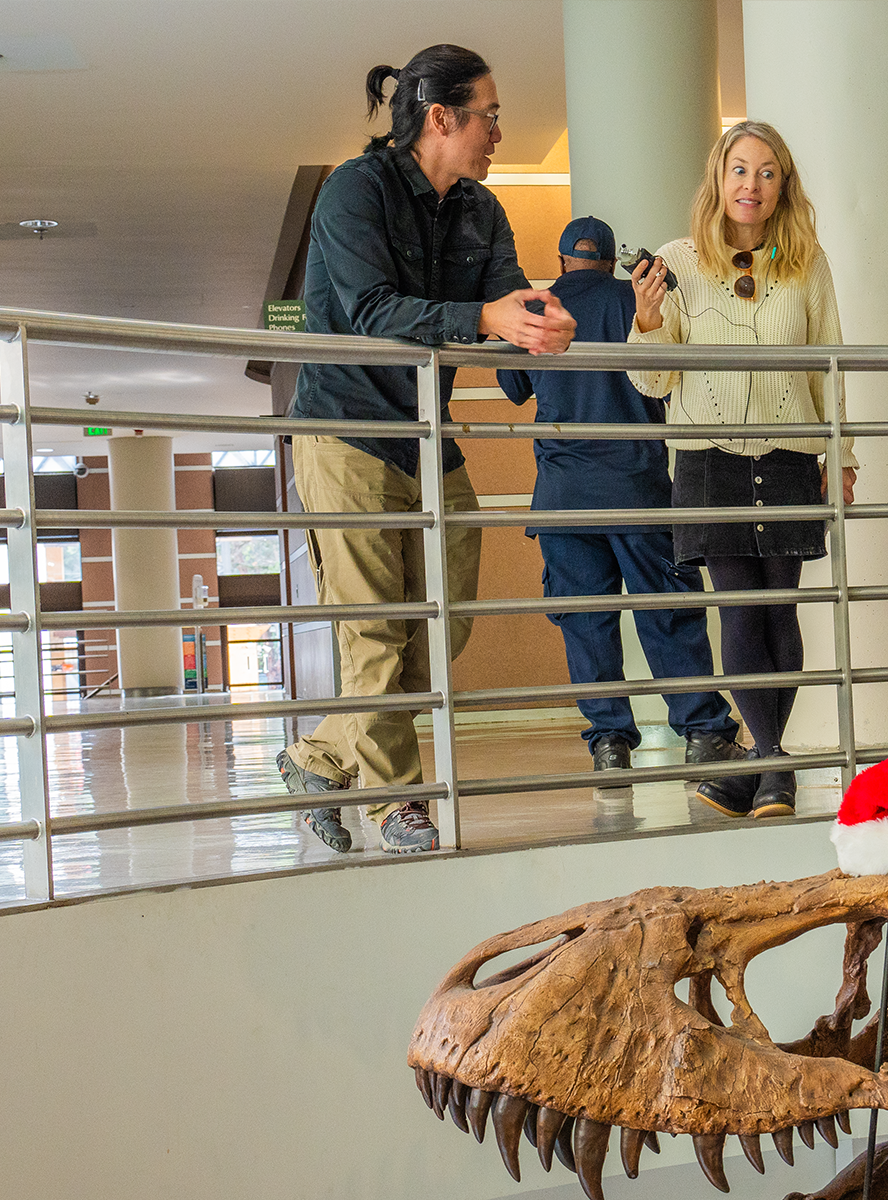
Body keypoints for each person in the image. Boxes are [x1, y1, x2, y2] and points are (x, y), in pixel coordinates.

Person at [277, 44, 576, 854]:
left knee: (441, 626)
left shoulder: (482, 211)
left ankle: (319, 757)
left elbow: (507, 302)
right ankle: (397, 806)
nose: (499, 134)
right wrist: (483, 319)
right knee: (375, 628)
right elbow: (371, 312)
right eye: (491, 116)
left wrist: (541, 324)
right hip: (346, 431)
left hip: (427, 438)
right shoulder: (353, 191)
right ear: (441, 117)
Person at [626, 120, 857, 821]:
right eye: (739, 170)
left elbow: (830, 363)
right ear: (717, 179)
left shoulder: (806, 262)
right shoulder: (679, 261)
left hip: (788, 455)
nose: (750, 185)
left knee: (778, 605)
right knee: (739, 608)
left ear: (782, 185)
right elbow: (652, 385)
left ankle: (762, 765)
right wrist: (646, 321)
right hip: (707, 459)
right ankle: (773, 766)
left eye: (766, 172)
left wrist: (839, 455)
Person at [497, 216, 749, 775]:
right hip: (639, 490)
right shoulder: (635, 301)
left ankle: (609, 744)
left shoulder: (537, 309)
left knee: (587, 622)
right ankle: (704, 732)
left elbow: (512, 388)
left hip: (564, 498)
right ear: (611, 260)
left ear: (562, 262)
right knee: (667, 614)